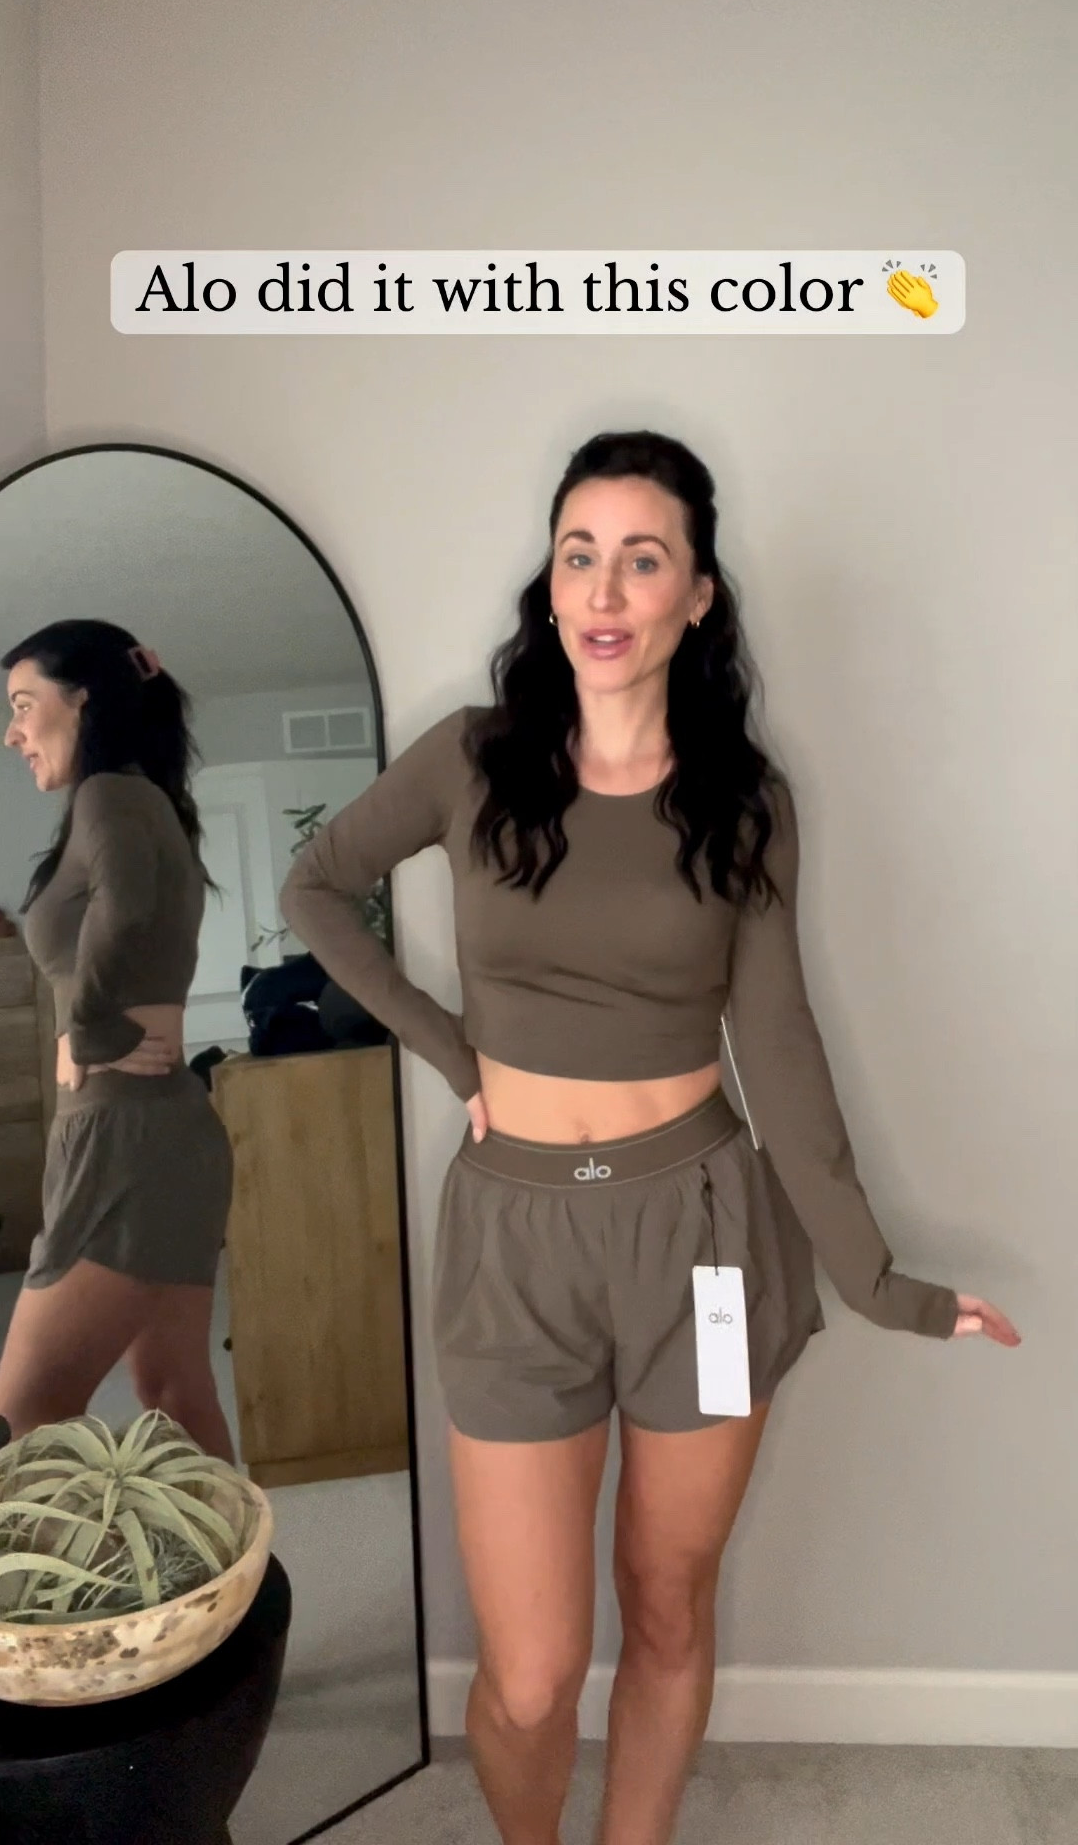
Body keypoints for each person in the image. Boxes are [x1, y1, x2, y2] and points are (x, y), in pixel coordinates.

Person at [280, 431, 1021, 1845]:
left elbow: (779, 1045)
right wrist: (451, 1052)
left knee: (670, 1604)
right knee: (532, 1674)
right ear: (551, 584)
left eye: (643, 557)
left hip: (703, 1241)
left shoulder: (744, 803)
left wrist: (880, 1282)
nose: (606, 589)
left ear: (698, 595)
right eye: (580, 555)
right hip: (514, 1241)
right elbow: (317, 886)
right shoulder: (472, 759)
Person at [0, 618, 234, 1461]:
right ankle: (239, 1556)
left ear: (83, 700)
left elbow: (125, 909)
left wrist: (90, 1031)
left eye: (23, 705)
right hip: (156, 1130)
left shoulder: (108, 795)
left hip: (125, 1140)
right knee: (173, 1394)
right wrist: (88, 1034)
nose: (13, 733)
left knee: (22, 1410)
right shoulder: (139, 799)